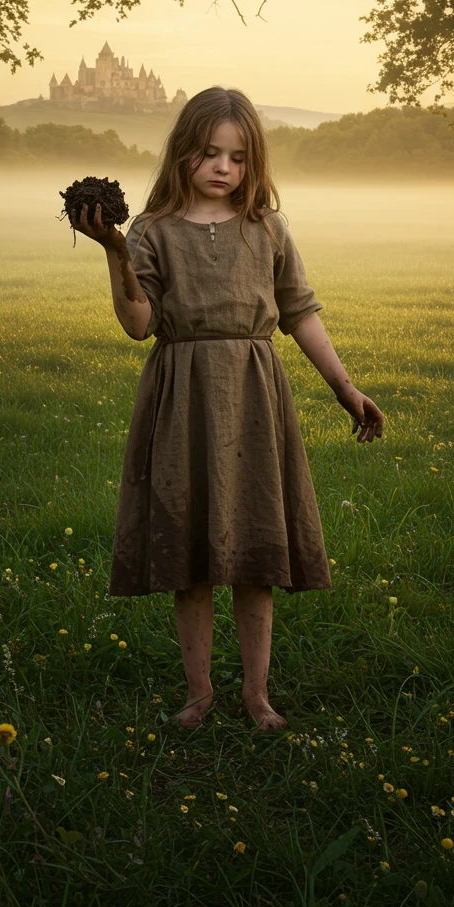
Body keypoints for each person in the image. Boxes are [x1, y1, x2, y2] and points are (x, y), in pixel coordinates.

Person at [74, 86, 384, 730]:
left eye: (238, 158)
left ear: (254, 163)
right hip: (182, 395)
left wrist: (343, 387)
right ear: (183, 152)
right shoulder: (151, 232)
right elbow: (138, 322)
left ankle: (255, 693)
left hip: (253, 394)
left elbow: (299, 311)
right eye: (209, 153)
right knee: (190, 556)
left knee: (253, 552)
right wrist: (114, 254)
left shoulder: (267, 228)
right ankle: (199, 694)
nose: (223, 168)